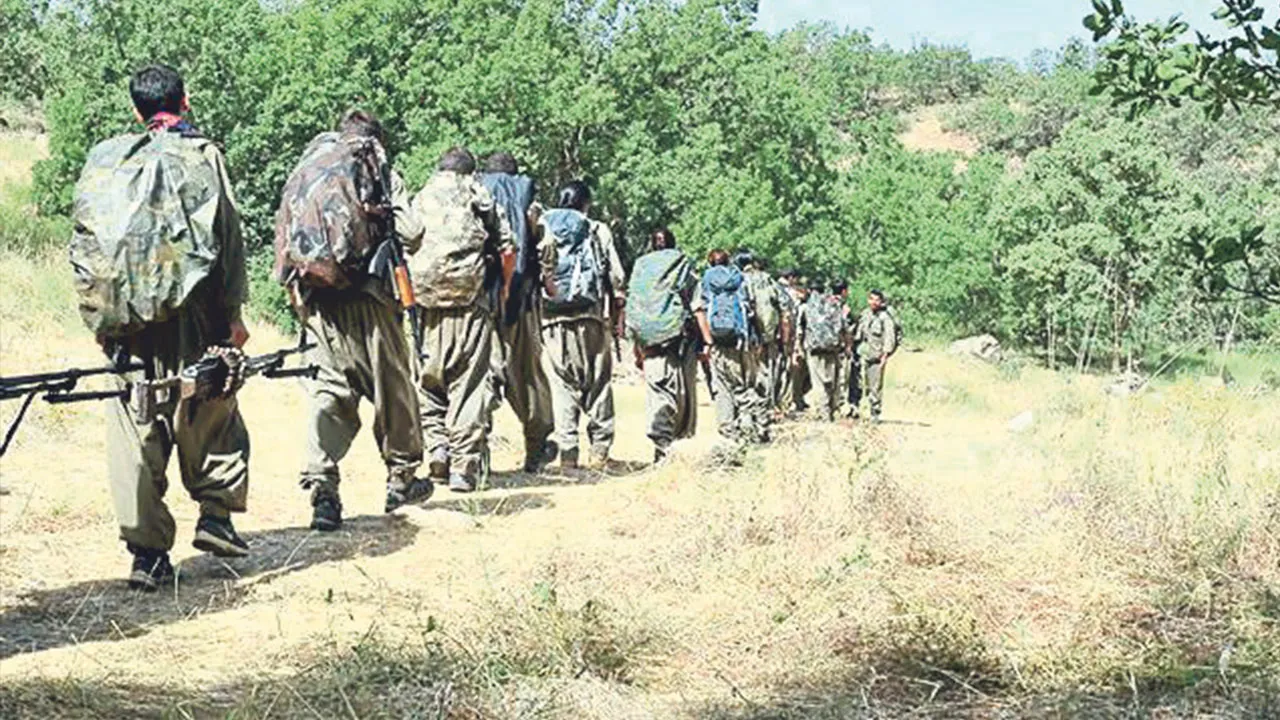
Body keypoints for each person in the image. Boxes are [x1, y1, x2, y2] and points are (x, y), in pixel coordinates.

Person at [71, 64, 252, 591]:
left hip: (125, 321)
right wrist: (234, 315)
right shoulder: (203, 157)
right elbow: (229, 239)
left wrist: (101, 315)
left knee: (134, 431)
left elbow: (88, 242)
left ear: (137, 110)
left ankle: (147, 556)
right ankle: (216, 515)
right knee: (207, 408)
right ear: (185, 101)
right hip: (192, 312)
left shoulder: (108, 162)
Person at [277, 109, 427, 531]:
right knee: (392, 385)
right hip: (370, 292)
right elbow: (413, 231)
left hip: (318, 295)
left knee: (331, 387)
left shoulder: (310, 165)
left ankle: (323, 486)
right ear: (374, 139)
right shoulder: (375, 165)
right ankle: (401, 478)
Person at [408, 147, 512, 492]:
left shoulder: (419, 196)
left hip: (423, 306)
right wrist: (505, 288)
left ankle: (437, 450)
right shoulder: (476, 192)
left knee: (428, 381)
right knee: (468, 385)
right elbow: (507, 247)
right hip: (470, 303)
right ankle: (464, 466)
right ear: (470, 172)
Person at [479, 152, 558, 473]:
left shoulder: (476, 195)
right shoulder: (530, 205)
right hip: (521, 302)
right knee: (527, 375)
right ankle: (536, 446)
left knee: (482, 372)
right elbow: (547, 247)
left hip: (481, 300)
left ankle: (474, 453)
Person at [539, 181, 626, 469]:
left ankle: (568, 453)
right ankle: (600, 451)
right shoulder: (596, 228)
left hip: (551, 319)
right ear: (585, 203)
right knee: (598, 383)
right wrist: (615, 317)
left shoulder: (542, 225)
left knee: (562, 384)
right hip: (591, 316)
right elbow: (616, 278)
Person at [628, 228, 712, 463]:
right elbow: (697, 307)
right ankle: (674, 447)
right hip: (680, 341)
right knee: (682, 396)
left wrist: (636, 347)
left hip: (649, 342)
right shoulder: (682, 266)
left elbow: (633, 306)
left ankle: (662, 447)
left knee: (658, 393)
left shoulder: (641, 268)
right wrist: (707, 341)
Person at [703, 249, 769, 456]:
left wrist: (707, 341)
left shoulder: (706, 281)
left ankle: (728, 430)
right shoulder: (741, 279)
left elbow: (700, 310)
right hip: (743, 339)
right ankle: (758, 424)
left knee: (723, 386)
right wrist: (758, 338)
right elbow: (754, 310)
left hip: (719, 341)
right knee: (745, 384)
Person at [737, 251, 788, 418]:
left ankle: (746, 408)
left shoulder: (736, 279)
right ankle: (768, 406)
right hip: (768, 333)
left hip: (745, 333)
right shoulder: (767, 279)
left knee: (746, 371)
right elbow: (784, 305)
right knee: (768, 369)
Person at [797, 278, 848, 422]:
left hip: (814, 349)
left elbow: (800, 330)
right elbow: (844, 328)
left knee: (818, 382)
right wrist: (846, 346)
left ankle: (824, 413)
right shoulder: (835, 305)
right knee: (831, 381)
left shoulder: (808, 307)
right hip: (833, 348)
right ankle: (831, 410)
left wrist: (798, 348)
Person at [852, 289, 899, 422]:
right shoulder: (865, 314)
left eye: (877, 299)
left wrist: (885, 356)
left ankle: (875, 412)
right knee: (861, 384)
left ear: (881, 301)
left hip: (876, 357)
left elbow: (889, 338)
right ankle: (856, 408)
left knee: (875, 386)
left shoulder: (885, 318)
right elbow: (858, 334)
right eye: (871, 299)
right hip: (863, 355)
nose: (873, 302)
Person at [780, 270, 811, 416]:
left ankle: (795, 399)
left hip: (785, 337)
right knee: (792, 370)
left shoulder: (777, 289)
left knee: (795, 371)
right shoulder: (789, 294)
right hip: (791, 338)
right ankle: (789, 400)